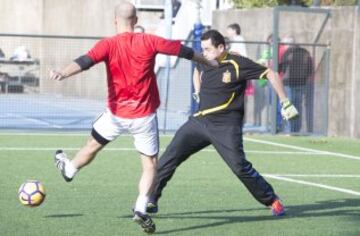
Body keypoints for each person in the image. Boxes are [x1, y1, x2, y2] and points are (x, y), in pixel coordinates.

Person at [49, 1, 217, 234]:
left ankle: (70, 170)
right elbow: (183, 51)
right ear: (136, 21)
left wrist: (63, 73)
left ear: (115, 21)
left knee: (92, 146)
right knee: (149, 165)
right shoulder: (149, 40)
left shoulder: (107, 44)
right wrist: (208, 60)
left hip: (116, 115)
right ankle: (140, 206)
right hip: (144, 117)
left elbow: (85, 62)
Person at [146, 30, 298, 216]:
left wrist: (285, 102)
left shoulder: (238, 63)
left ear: (221, 47)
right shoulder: (202, 60)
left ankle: (272, 200)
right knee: (168, 159)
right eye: (203, 49)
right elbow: (196, 70)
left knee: (239, 167)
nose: (204, 53)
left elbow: (271, 74)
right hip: (199, 121)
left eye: (208, 49)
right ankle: (150, 199)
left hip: (226, 126)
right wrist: (198, 91)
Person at [279, 36, 313, 132]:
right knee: (298, 106)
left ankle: (289, 129)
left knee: (289, 105)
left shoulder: (288, 52)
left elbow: (283, 67)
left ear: (288, 44)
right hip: (301, 82)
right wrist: (305, 77)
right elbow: (310, 68)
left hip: (289, 82)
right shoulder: (305, 52)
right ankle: (297, 128)